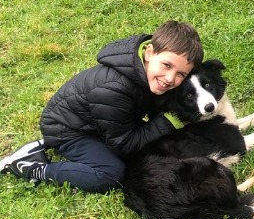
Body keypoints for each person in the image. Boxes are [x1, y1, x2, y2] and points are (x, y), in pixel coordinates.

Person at [0, 20, 203, 192]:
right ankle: (32, 167)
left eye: (181, 74)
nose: (170, 78)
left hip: (101, 123)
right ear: (149, 52)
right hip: (68, 130)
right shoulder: (113, 89)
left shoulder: (147, 73)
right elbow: (124, 146)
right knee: (111, 174)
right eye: (167, 65)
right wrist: (167, 122)